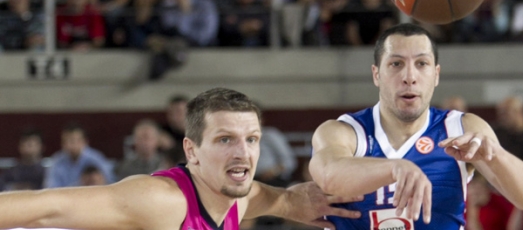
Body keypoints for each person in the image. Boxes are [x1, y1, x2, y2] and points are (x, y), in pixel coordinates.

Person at [0, 87, 360, 230]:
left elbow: (282, 200)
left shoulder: (240, 196)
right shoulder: (161, 200)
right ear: (191, 151)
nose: (243, 152)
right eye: (225, 139)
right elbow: (45, 206)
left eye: (252, 139)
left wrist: (300, 201)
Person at [309, 23, 523, 229]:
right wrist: (395, 168)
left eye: (421, 63)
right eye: (396, 64)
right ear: (376, 74)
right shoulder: (345, 131)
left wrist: (496, 156)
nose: (409, 76)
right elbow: (328, 174)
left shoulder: (461, 129)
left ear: (436, 74)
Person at [44, 123, 115, 188]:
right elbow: (50, 187)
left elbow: (110, 183)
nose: (70, 145)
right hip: (65, 200)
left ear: (84, 141)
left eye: (74, 141)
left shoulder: (96, 159)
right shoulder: (57, 161)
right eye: (66, 141)